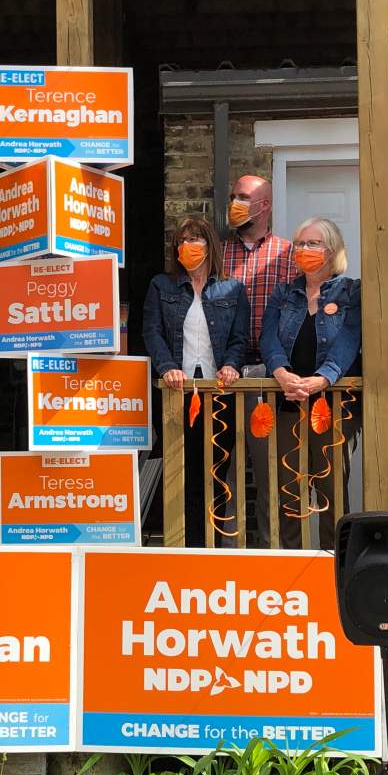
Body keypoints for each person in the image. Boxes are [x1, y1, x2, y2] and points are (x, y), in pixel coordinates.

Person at [143, 216, 249, 547]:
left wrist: (231, 365)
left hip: (219, 394)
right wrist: (167, 367)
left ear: (209, 245)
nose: (188, 246)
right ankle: (186, 544)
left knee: (217, 469)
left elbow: (240, 338)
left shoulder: (232, 288)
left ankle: (214, 544)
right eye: (182, 241)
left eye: (195, 239)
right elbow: (152, 332)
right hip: (179, 392)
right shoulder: (162, 286)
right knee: (182, 469)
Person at [260, 217, 361, 549]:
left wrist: (323, 378)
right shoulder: (283, 293)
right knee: (290, 488)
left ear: (331, 250)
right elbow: (268, 338)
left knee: (332, 489)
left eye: (312, 243)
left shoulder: (351, 291)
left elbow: (350, 340)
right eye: (300, 244)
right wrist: (281, 373)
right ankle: (292, 560)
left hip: (333, 406)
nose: (304, 249)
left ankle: (335, 559)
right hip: (288, 400)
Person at [221, 175, 296, 547]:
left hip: (270, 373)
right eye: (233, 196)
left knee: (272, 471)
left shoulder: (289, 254)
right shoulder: (218, 253)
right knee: (223, 469)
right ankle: (226, 552)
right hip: (225, 371)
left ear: (264, 205)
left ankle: (273, 552)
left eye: (242, 197)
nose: (234, 203)